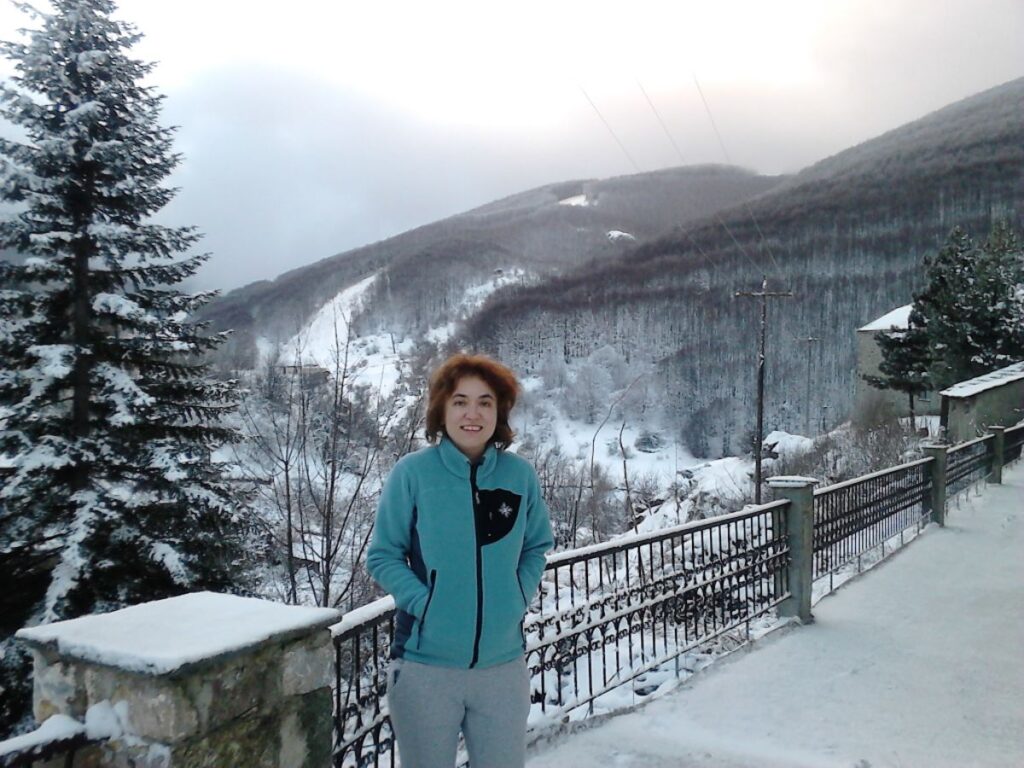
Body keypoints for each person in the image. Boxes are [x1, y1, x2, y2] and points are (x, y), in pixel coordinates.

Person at [367, 353, 554, 768]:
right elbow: (383, 555)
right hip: (424, 668)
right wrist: (425, 603)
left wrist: (517, 595)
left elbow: (537, 544)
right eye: (460, 401)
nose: (473, 413)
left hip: (502, 667)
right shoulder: (412, 473)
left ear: (499, 411)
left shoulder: (518, 475)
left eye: (485, 402)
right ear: (442, 410)